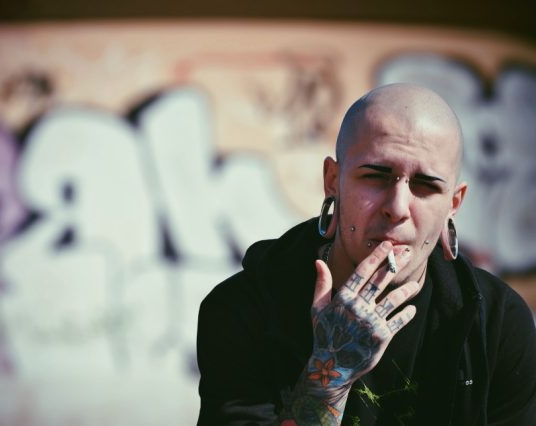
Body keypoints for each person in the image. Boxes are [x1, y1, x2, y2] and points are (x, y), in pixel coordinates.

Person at [196, 83, 536, 425]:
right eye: (376, 176)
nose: (397, 208)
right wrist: (329, 377)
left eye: (425, 186)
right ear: (333, 180)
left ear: (454, 203)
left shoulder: (497, 322)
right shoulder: (244, 309)